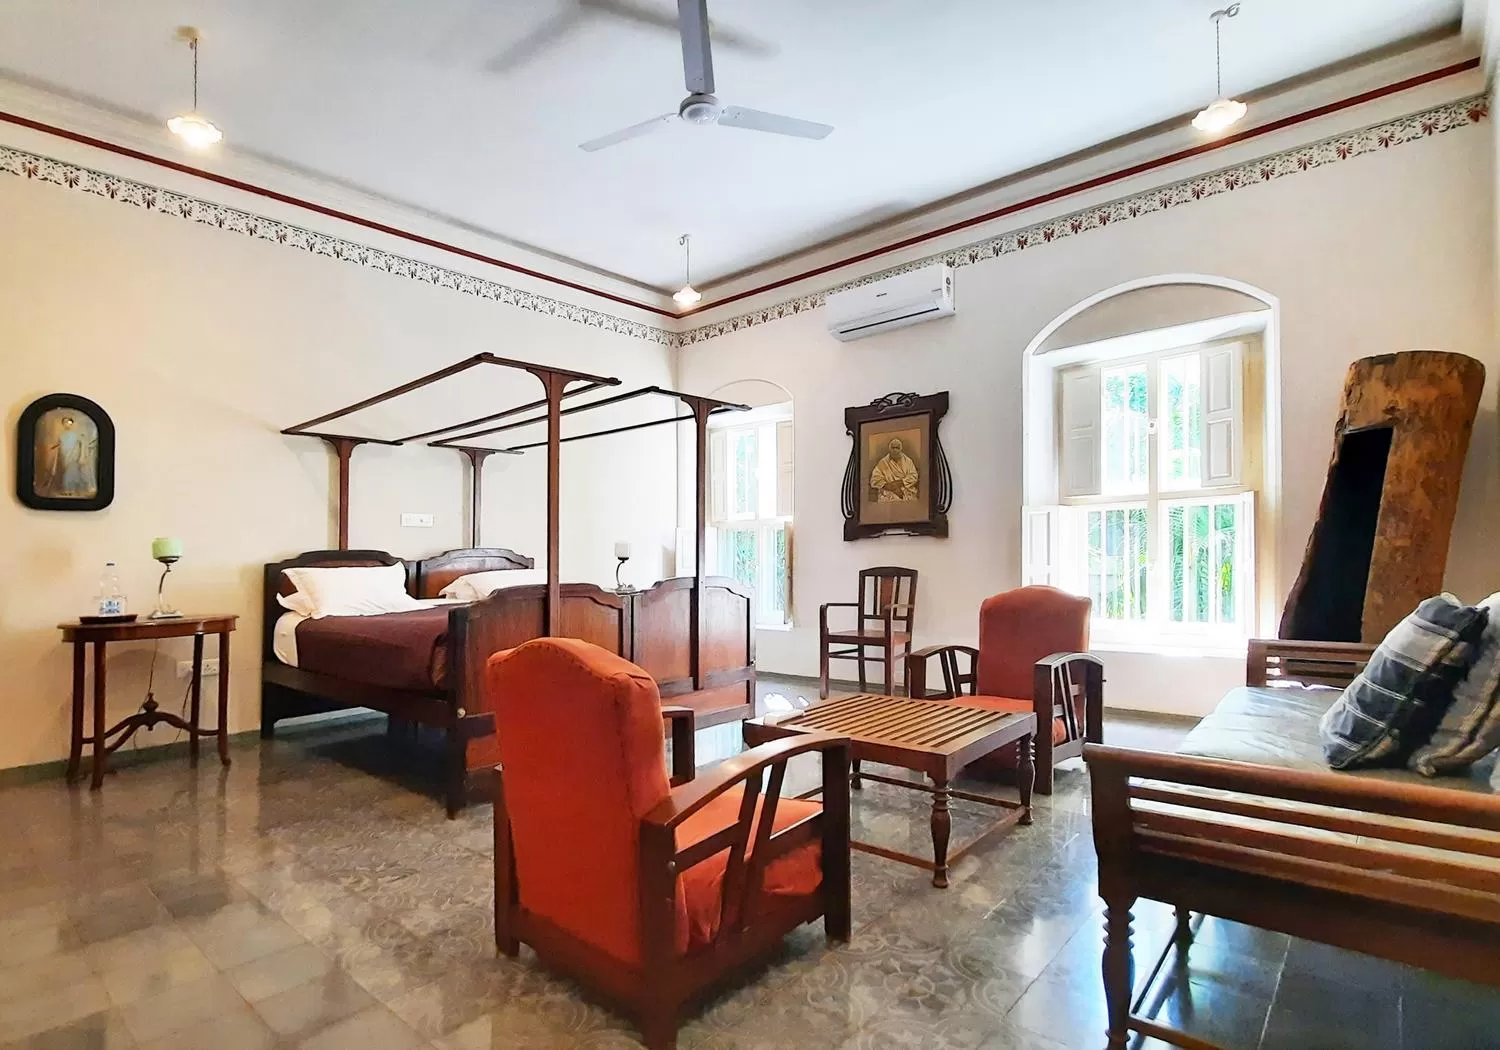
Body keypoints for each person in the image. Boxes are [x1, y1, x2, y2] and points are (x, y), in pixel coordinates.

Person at [870, 437, 919, 503]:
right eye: (893, 448)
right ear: (890, 449)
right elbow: (874, 479)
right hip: (888, 492)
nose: (895, 450)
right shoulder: (883, 462)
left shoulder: (908, 461)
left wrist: (900, 482)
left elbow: (914, 476)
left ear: (901, 449)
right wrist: (890, 487)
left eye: (897, 448)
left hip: (906, 490)